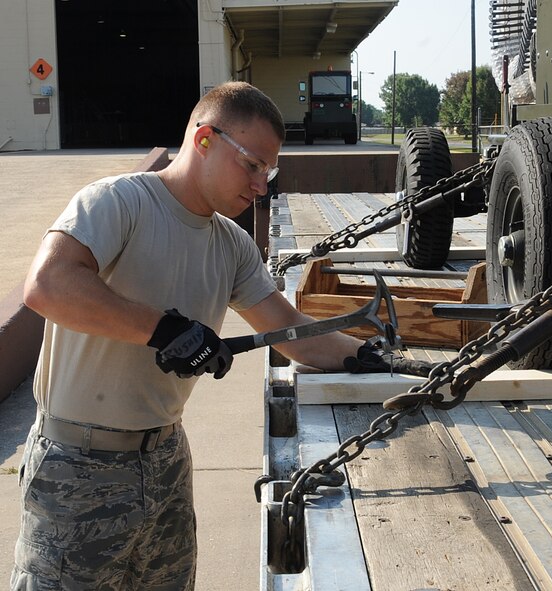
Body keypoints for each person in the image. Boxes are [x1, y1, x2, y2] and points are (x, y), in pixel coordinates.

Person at [11, 81, 414, 590]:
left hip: (165, 462)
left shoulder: (232, 245)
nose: (262, 185)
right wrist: (164, 330)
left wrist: (368, 357)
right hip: (77, 468)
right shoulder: (118, 203)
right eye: (252, 165)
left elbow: (292, 335)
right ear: (204, 140)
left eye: (269, 171)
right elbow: (48, 284)